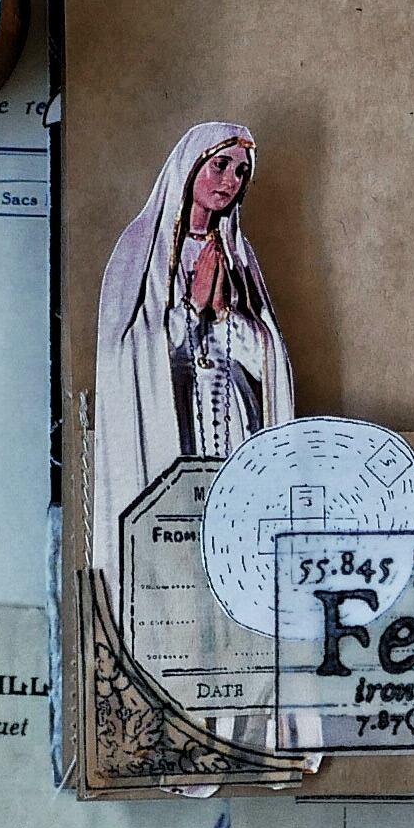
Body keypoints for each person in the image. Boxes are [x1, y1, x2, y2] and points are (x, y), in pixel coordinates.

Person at [91, 122, 294, 595]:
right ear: (189, 166)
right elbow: (123, 354)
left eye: (241, 172)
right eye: (220, 165)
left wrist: (225, 317)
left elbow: (267, 356)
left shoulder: (239, 255)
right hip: (170, 425)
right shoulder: (141, 247)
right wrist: (191, 308)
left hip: (230, 423)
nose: (229, 181)